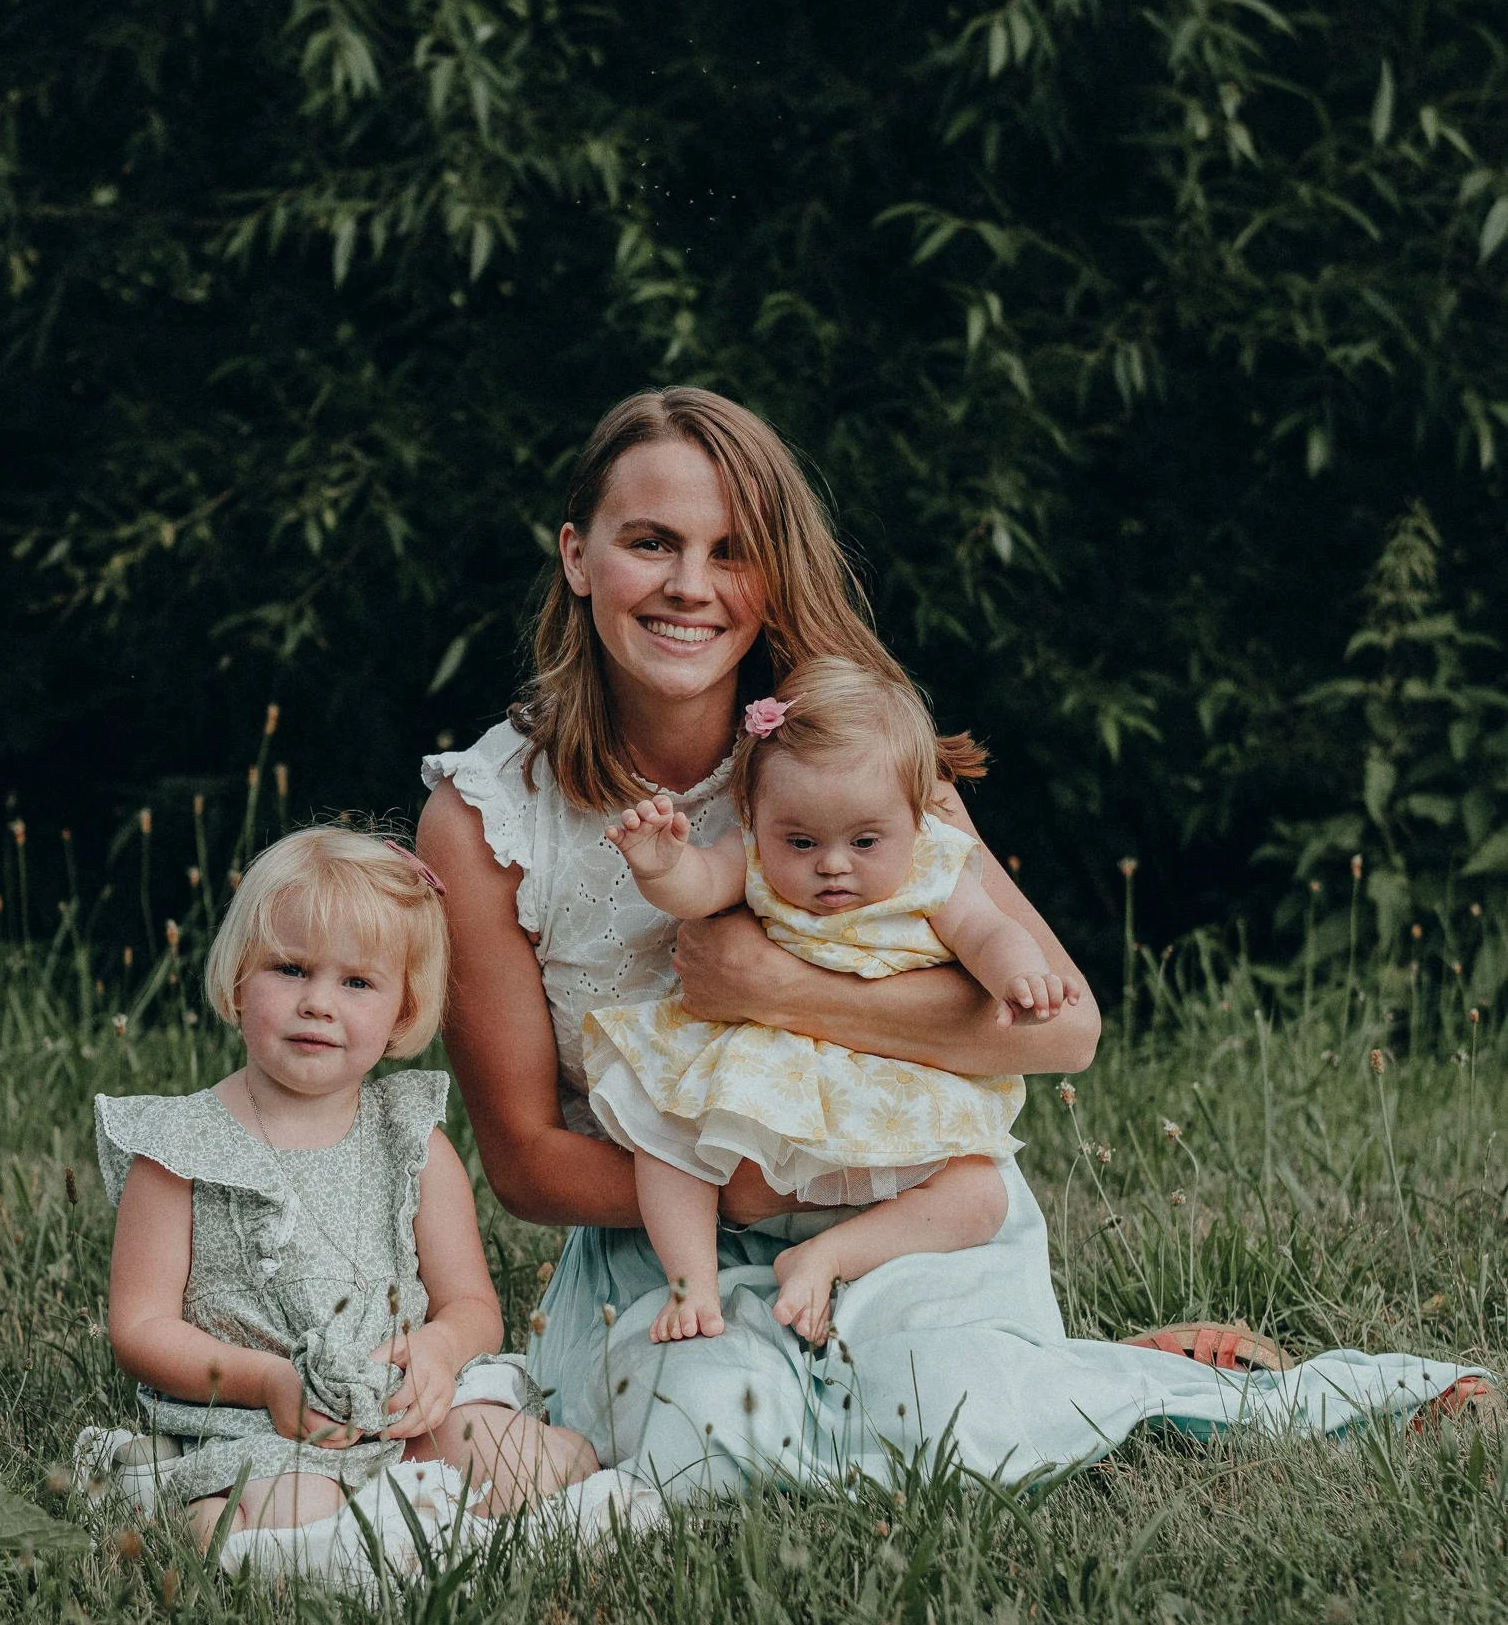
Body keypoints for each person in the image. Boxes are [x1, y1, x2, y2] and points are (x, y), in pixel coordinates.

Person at [419, 386, 1489, 1502]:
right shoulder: (490, 818)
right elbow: (525, 1163)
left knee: (954, 1431)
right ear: (578, 556)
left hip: (905, 1210)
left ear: (773, 577)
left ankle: (1219, 1390)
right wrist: (744, 1188)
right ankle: (1046, 1374)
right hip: (664, 1233)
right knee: (717, 1453)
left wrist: (776, 988)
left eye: (731, 551)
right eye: (652, 543)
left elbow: (1064, 1030)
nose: (691, 584)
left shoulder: (850, 757)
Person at [93, 824, 599, 1565]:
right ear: (238, 979)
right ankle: (208, 1508)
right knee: (289, 1527)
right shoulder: (179, 1149)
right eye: (291, 969)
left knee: (537, 1465)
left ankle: (405, 1516)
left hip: (403, 1414)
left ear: (403, 1011)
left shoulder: (410, 1141)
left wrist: (437, 1351)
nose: (318, 1004)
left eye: (357, 983)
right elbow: (140, 1328)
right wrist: (268, 1383)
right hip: (263, 1421)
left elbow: (471, 1305)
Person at [586, 656, 1081, 1347]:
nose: (833, 863)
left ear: (916, 817)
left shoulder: (932, 866)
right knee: (664, 1136)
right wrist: (662, 864)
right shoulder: (754, 854)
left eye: (865, 841)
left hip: (889, 1081)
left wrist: (1020, 975)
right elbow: (697, 888)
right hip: (765, 1070)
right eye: (802, 841)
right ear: (755, 815)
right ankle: (691, 1283)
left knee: (978, 1196)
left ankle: (828, 1255)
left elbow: (987, 931)